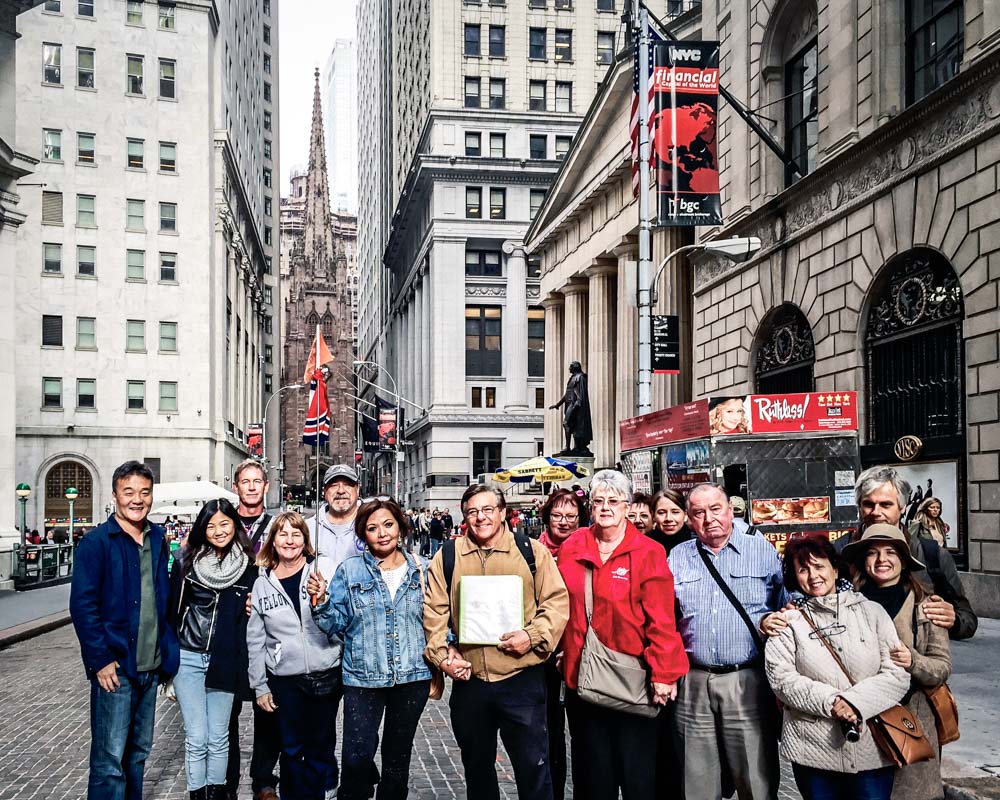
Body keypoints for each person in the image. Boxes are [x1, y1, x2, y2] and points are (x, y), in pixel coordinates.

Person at [423, 484, 569, 800]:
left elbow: (556, 604)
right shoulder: (448, 556)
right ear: (464, 517)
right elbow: (434, 612)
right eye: (473, 511)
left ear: (502, 513)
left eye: (488, 509)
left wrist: (530, 637)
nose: (481, 518)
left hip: (521, 680)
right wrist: (443, 655)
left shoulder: (531, 552)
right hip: (470, 680)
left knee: (533, 770)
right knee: (477, 771)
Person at [558, 470, 688, 800]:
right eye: (598, 500)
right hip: (583, 680)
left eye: (613, 501)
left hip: (635, 681)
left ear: (627, 506)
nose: (605, 507)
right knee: (592, 777)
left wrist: (664, 674)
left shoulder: (648, 552)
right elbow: (559, 605)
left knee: (638, 777)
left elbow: (661, 620)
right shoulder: (573, 547)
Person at [763, 533, 911, 800]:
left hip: (870, 748)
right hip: (812, 748)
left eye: (819, 566)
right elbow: (781, 679)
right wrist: (832, 702)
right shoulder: (788, 622)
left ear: (834, 567)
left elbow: (896, 673)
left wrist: (853, 703)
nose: (813, 575)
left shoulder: (872, 612)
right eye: (803, 570)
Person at [669, 482, 787, 800]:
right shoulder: (677, 557)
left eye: (716, 509)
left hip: (746, 679)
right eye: (699, 513)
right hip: (692, 680)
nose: (709, 519)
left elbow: (786, 602)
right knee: (696, 779)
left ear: (731, 510)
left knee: (755, 777)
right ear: (689, 520)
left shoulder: (760, 550)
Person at [307, 498, 432, 800]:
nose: (382, 533)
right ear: (363, 535)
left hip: (412, 675)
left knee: (396, 759)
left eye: (388, 525)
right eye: (372, 528)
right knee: (356, 755)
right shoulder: (349, 571)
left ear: (400, 527)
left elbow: (437, 619)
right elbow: (334, 622)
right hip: (363, 677)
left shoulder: (422, 569)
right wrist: (322, 601)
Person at [70, 460, 180, 800]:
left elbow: (163, 598)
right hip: (115, 669)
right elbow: (83, 606)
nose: (137, 499)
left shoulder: (158, 538)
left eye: (144, 492)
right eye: (128, 492)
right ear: (115, 495)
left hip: (150, 667)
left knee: (137, 756)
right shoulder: (97, 543)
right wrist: (100, 659)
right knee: (109, 761)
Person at [846, 525, 952, 800]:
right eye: (873, 553)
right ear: (863, 561)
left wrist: (913, 660)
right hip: (863, 726)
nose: (882, 560)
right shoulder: (846, 604)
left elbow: (941, 668)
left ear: (903, 560)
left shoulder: (924, 605)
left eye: (890, 552)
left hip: (911, 726)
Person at [247, 512, 342, 800]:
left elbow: (341, 622)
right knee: (291, 747)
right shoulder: (263, 584)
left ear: (305, 540)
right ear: (272, 541)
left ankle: (323, 792)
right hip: (284, 678)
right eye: (282, 534)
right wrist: (260, 685)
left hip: (324, 672)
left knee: (320, 744)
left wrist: (323, 598)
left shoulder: (320, 572)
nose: (289, 540)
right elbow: (255, 639)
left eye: (296, 534)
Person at [168, 499, 257, 800]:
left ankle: (217, 795)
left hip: (225, 658)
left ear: (235, 525)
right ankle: (197, 795)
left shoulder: (249, 567)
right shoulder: (186, 562)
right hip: (189, 656)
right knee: (197, 737)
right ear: (201, 529)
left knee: (219, 738)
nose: (218, 531)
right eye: (211, 525)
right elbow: (172, 612)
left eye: (224, 523)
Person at [834, 466, 977, 640]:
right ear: (859, 506)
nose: (876, 512)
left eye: (886, 504)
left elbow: (968, 619)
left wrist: (954, 620)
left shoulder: (933, 555)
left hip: (914, 662)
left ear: (902, 507)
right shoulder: (837, 552)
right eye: (868, 504)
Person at [228, 459, 280, 800]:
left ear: (265, 486)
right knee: (226, 712)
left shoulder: (276, 525)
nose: (250, 486)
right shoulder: (223, 523)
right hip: (230, 631)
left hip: (268, 629)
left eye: (256, 481)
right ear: (236, 487)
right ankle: (227, 782)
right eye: (244, 481)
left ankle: (263, 778)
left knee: (267, 708)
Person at [537, 488, 588, 800]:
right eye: (557, 515)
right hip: (544, 652)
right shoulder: (532, 550)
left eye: (571, 516)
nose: (564, 521)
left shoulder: (588, 549)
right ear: (547, 518)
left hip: (580, 649)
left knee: (584, 731)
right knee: (548, 730)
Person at [306, 464, 364, 567]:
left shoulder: (371, 524)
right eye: (333, 485)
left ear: (357, 489)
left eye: (347, 485)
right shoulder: (307, 528)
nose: (341, 491)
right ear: (325, 491)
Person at [647, 488, 693, 557]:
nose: (668, 518)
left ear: (685, 515)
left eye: (675, 512)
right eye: (661, 513)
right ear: (653, 516)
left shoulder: (697, 543)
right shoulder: (644, 545)